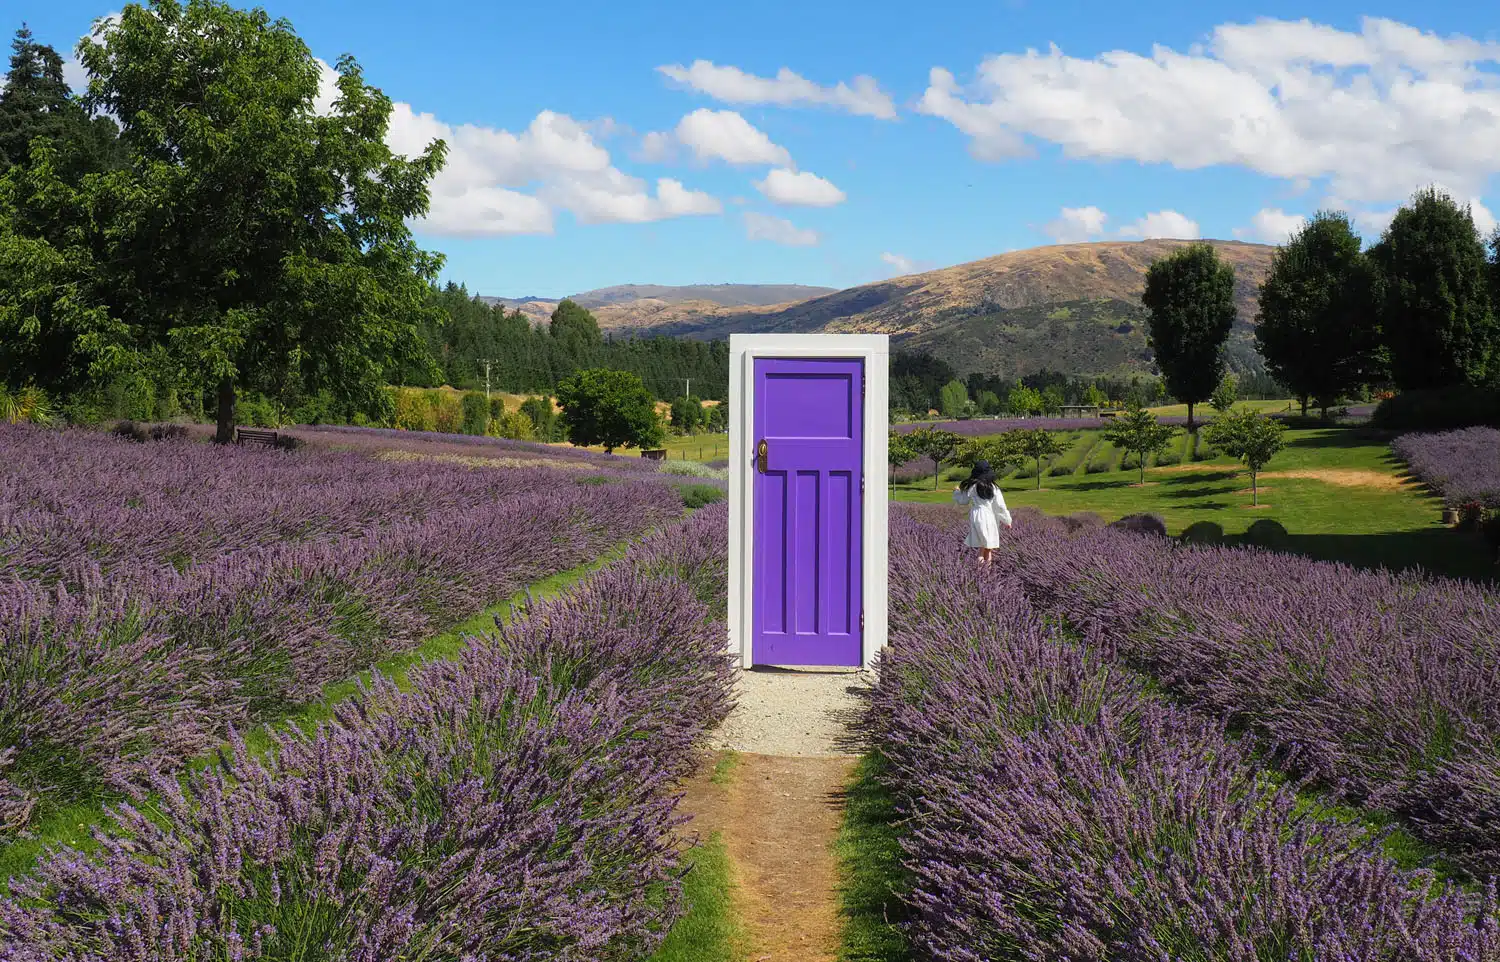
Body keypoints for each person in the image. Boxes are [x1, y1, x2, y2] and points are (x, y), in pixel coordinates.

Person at [952, 459, 1012, 564]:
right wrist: (1007, 520)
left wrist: (957, 492)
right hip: (989, 516)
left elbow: (963, 500)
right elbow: (1000, 506)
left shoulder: (972, 486)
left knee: (982, 547)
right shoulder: (993, 487)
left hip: (976, 516)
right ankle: (986, 571)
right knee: (988, 547)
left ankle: (981, 570)